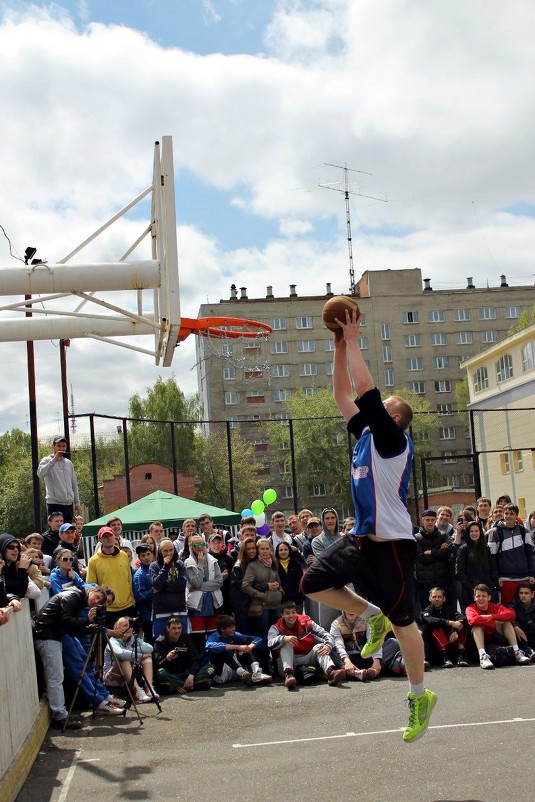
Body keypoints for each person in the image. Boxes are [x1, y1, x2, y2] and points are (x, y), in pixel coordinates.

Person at [301, 308, 436, 743]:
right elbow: (344, 394)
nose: (373, 407)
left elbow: (364, 389)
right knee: (312, 582)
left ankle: (419, 696)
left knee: (406, 624)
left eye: (383, 405)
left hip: (394, 545)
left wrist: (355, 338)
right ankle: (369, 615)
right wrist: (339, 347)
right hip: (361, 539)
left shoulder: (394, 439)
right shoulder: (365, 435)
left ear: (394, 418)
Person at [33, 584, 109, 729]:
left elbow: (72, 629)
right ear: (89, 591)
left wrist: (89, 626)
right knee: (55, 677)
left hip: (53, 635)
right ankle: (60, 716)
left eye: (99, 602)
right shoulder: (72, 596)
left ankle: (61, 713)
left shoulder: (77, 599)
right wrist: (87, 620)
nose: (95, 602)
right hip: (47, 635)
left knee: (57, 676)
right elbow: (66, 621)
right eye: (96, 597)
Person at [267, 601, 346, 689]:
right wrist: (283, 638)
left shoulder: (307, 622)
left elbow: (325, 634)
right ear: (282, 615)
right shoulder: (275, 627)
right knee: (286, 644)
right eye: (287, 613)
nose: (291, 616)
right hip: (288, 663)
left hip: (307, 658)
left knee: (319, 647)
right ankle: (289, 675)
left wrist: (328, 645)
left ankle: (331, 673)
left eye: (293, 612)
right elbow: (270, 644)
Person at [465, 583, 531, 669]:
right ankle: (483, 657)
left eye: (484, 596)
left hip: (496, 636)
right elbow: (473, 620)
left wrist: (491, 616)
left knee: (506, 622)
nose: (481, 599)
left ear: (489, 597)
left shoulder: (496, 606)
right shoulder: (470, 608)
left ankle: (516, 652)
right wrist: (494, 622)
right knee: (477, 626)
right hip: (479, 640)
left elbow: (511, 614)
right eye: (478, 596)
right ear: (474, 598)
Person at [86, 526, 136, 628]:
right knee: (107, 642)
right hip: (107, 609)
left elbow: (129, 579)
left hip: (127, 606)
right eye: (105, 536)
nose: (109, 538)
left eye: (110, 535)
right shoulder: (93, 560)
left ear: (115, 537)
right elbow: (91, 586)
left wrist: (133, 600)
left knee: (129, 640)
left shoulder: (123, 555)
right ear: (100, 539)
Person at [487, 503, 535, 605]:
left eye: (511, 513)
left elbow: (530, 554)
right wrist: (496, 577)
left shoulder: (524, 531)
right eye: (506, 513)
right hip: (505, 579)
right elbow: (491, 558)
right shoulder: (495, 532)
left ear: (516, 515)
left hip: (524, 577)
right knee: (508, 610)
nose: (508, 516)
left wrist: (531, 574)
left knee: (525, 609)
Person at [241, 537, 283, 655]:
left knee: (277, 635)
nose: (265, 551)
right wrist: (262, 596)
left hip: (276, 606)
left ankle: (276, 662)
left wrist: (281, 593)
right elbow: (245, 586)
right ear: (258, 550)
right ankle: (265, 665)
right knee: (263, 635)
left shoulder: (274, 563)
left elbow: (279, 582)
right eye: (262, 549)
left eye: (267, 548)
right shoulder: (253, 566)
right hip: (262, 607)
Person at [205, 614, 271, 686]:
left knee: (247, 642)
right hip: (221, 672)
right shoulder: (214, 636)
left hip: (234, 668)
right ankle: (243, 673)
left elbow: (259, 639)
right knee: (220, 650)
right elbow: (209, 646)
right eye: (230, 627)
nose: (234, 629)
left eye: (234, 626)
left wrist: (249, 647)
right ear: (222, 629)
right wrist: (237, 647)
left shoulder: (236, 635)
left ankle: (256, 673)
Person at [103, 616, 157, 703]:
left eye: (131, 626)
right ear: (117, 628)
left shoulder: (133, 639)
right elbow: (121, 653)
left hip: (127, 674)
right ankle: (138, 691)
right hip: (111, 678)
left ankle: (149, 688)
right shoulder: (113, 641)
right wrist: (140, 655)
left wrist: (135, 653)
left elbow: (150, 648)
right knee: (124, 659)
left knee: (148, 657)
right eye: (125, 625)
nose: (129, 628)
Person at [184, 534, 224, 652]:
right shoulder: (188, 563)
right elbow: (196, 582)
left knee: (215, 639)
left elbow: (219, 581)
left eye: (202, 544)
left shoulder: (213, 560)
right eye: (196, 545)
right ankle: (201, 666)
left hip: (213, 603)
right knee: (199, 641)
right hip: (196, 607)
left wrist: (199, 587)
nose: (200, 547)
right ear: (191, 547)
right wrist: (200, 565)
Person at [153, 616, 213, 693]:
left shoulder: (186, 638)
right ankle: (192, 686)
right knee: (160, 673)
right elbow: (157, 666)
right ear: (168, 628)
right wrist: (167, 659)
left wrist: (191, 676)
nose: (177, 631)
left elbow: (195, 659)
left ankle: (180, 686)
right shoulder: (160, 642)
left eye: (179, 628)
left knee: (210, 668)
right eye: (174, 628)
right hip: (171, 674)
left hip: (186, 672)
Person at [455, 521, 499, 611]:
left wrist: (494, 583)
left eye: (476, 531)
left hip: (488, 588)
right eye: (471, 531)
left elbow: (493, 567)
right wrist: (472, 588)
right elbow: (460, 572)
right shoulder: (463, 549)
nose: (474, 533)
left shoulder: (485, 548)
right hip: (470, 592)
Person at [419, 587, 468, 667]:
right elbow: (431, 621)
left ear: (444, 598)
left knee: (460, 625)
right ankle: (444, 657)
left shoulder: (449, 609)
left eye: (439, 597)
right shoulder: (426, 612)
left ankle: (461, 654)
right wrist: (449, 622)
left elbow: (462, 618)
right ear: (430, 598)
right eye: (434, 597)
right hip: (436, 647)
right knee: (435, 627)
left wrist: (455, 630)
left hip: (452, 640)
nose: (437, 599)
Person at [414, 509, 453, 611]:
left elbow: (448, 553)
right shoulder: (417, 538)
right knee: (426, 613)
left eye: (432, 519)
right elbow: (421, 558)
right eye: (427, 520)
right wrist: (439, 551)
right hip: (425, 583)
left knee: (446, 612)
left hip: (442, 581)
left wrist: (431, 552)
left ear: (435, 520)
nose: (430, 522)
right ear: (423, 520)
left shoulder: (443, 535)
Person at [149, 538, 188, 638]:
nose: (168, 553)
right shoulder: (154, 566)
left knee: (182, 640)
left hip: (179, 609)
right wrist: (165, 566)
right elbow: (157, 585)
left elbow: (182, 584)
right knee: (161, 641)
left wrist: (163, 587)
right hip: (161, 610)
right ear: (160, 551)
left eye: (171, 550)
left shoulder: (180, 564)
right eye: (165, 551)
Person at [37, 435, 80, 523]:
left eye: (64, 446)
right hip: (54, 504)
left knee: (68, 533)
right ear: (53, 446)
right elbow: (40, 474)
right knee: (56, 532)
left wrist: (77, 502)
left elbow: (74, 484)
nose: (62, 448)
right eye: (59, 446)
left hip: (68, 505)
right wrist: (54, 460)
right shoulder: (46, 460)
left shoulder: (69, 463)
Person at [330, 612, 382, 680]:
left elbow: (373, 640)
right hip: (347, 659)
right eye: (347, 607)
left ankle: (373, 670)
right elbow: (339, 646)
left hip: (366, 656)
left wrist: (377, 660)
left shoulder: (367, 620)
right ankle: (356, 673)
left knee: (392, 643)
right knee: (328, 650)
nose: (350, 610)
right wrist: (347, 661)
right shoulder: (336, 624)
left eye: (353, 606)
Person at [229, 538, 259, 635]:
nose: (251, 551)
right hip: (243, 609)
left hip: (256, 606)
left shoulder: (258, 563)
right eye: (248, 549)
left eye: (253, 548)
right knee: (246, 637)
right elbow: (240, 589)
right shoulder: (238, 566)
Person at [132, 543, 155, 642]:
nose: (146, 557)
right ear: (139, 557)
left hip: (158, 613)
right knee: (151, 642)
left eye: (148, 554)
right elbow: (139, 596)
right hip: (147, 616)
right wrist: (153, 591)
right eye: (143, 555)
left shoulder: (156, 569)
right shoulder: (139, 575)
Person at [508, 582, 535, 660]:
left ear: (532, 595)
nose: (523, 595)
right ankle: (528, 650)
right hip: (520, 635)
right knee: (515, 625)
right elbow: (508, 617)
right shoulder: (513, 605)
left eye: (526, 593)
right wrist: (515, 626)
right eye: (521, 593)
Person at [275, 541, 304, 612]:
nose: (283, 552)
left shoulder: (296, 564)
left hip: (296, 601)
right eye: (281, 550)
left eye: (285, 549)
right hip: (280, 601)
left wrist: (296, 594)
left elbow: (301, 582)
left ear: (289, 551)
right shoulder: (273, 566)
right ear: (277, 552)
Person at [0, 533, 30, 599]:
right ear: (2, 549)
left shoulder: (13, 568)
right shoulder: (1, 568)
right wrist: (22, 570)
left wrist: (24, 571)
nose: (15, 550)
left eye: (17, 547)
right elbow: (11, 591)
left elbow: (21, 593)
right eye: (11, 547)